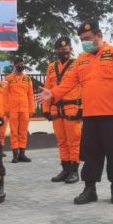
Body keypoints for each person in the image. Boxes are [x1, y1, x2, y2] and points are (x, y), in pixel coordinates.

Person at [38, 20, 113, 205]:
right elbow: (68, 82)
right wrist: (53, 93)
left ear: (99, 36)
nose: (85, 42)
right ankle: (90, 189)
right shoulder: (82, 59)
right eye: (82, 39)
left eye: (88, 38)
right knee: (90, 154)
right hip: (90, 116)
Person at [42, 37, 82, 184]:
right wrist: (46, 108)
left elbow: (83, 86)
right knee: (61, 141)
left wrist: (82, 108)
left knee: (74, 141)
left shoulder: (78, 63)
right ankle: (65, 168)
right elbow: (47, 88)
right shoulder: (51, 67)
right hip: (56, 109)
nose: (62, 52)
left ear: (71, 48)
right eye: (59, 50)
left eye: (65, 50)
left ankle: (74, 170)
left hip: (72, 107)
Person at [4, 57, 34, 163]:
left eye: (22, 63)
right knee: (14, 132)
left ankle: (22, 154)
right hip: (13, 109)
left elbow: (30, 95)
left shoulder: (28, 79)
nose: (21, 65)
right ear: (14, 65)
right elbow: (5, 95)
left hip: (25, 109)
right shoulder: (8, 78)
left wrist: (31, 110)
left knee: (23, 131)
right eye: (19, 64)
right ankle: (15, 155)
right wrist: (6, 110)